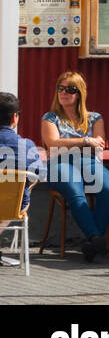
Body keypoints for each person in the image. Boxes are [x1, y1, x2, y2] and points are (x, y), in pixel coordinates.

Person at [38, 72, 109, 261]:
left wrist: (74, 143)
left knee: (107, 189)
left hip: (89, 161)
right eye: (60, 88)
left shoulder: (95, 118)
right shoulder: (50, 117)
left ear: (79, 93)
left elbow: (100, 143)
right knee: (75, 189)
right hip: (60, 163)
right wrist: (85, 140)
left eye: (70, 89)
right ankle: (96, 239)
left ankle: (92, 243)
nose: (64, 93)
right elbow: (53, 142)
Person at [0, 91, 45, 262]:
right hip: (13, 207)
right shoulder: (26, 146)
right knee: (18, 200)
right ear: (14, 118)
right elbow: (40, 174)